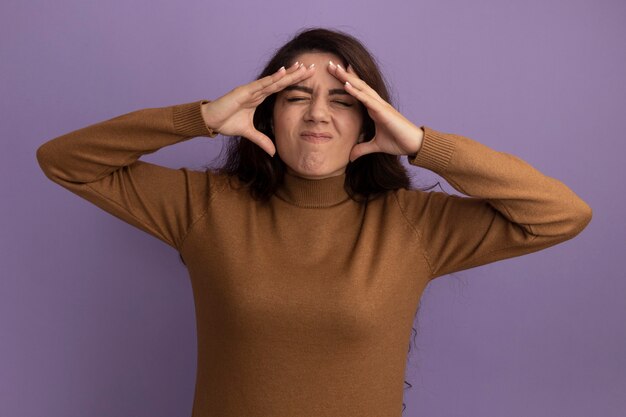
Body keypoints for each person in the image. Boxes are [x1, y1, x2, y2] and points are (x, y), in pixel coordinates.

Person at [36, 27, 592, 417]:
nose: (318, 114)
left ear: (370, 118)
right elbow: (64, 161)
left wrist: (424, 145)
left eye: (343, 101)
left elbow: (561, 215)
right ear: (266, 111)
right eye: (296, 96)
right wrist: (200, 118)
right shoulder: (205, 206)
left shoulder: (411, 225)